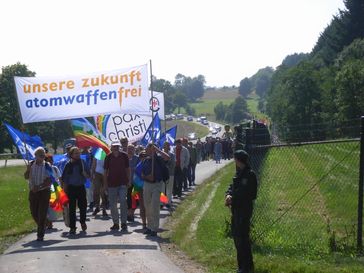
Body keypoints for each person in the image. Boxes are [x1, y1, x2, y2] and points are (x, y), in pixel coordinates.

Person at [225, 150, 257, 273]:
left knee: (243, 238)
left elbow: (248, 193)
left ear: (239, 160)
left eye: (235, 159)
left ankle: (247, 266)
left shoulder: (249, 174)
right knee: (237, 237)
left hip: (244, 209)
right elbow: (232, 187)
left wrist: (233, 198)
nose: (235, 162)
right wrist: (228, 194)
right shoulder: (239, 173)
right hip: (236, 209)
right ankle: (241, 266)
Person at [141, 143, 170, 237]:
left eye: (149, 148)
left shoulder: (159, 159)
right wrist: (147, 177)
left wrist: (157, 150)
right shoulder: (145, 160)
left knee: (155, 206)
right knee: (147, 206)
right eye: (147, 148)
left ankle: (154, 228)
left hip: (157, 184)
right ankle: (149, 227)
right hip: (147, 185)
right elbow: (141, 174)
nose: (146, 150)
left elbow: (167, 157)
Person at [24, 147, 51, 241]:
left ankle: (40, 234)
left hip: (44, 192)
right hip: (33, 192)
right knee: (34, 212)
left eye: (44, 155)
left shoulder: (47, 165)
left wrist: (39, 187)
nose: (43, 157)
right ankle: (44, 223)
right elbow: (26, 177)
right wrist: (27, 170)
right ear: (35, 156)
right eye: (41, 156)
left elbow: (49, 181)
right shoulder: (31, 164)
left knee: (42, 212)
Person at [62, 147, 90, 235]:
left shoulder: (82, 162)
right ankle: (72, 227)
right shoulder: (68, 165)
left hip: (80, 187)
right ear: (71, 154)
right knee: (72, 209)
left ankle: (82, 221)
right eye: (76, 153)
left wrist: (85, 174)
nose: (78, 155)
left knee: (83, 206)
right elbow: (65, 180)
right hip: (71, 188)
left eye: (78, 153)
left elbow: (89, 175)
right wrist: (64, 192)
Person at [104, 141, 130, 231]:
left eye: (117, 146)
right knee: (113, 204)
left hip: (123, 182)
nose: (116, 148)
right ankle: (115, 223)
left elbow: (128, 169)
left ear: (119, 147)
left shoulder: (124, 156)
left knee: (123, 201)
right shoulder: (108, 157)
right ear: (111, 147)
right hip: (111, 183)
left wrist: (129, 180)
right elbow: (105, 171)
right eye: (114, 147)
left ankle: (124, 223)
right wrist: (105, 184)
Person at [162, 142, 176, 208]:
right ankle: (162, 203)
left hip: (170, 173)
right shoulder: (160, 154)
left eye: (167, 146)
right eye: (165, 146)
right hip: (162, 174)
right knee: (162, 188)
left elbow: (173, 164)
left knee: (169, 189)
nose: (166, 147)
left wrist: (166, 163)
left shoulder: (172, 155)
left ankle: (168, 202)